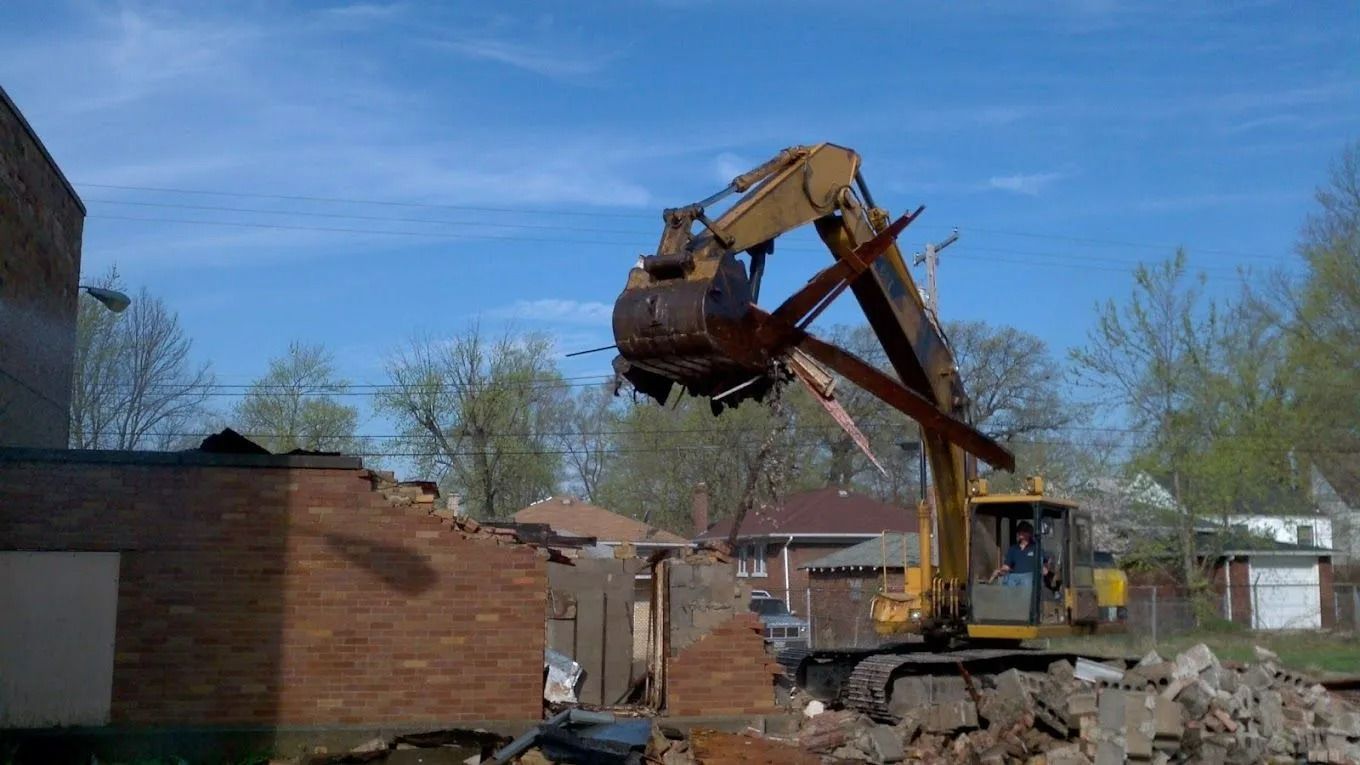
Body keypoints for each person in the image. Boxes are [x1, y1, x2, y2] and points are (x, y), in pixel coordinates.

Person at [992, 521, 1049, 587]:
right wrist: (1000, 571)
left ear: (1029, 533)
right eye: (1019, 530)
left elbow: (1044, 566)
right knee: (1006, 580)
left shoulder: (1036, 548)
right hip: (1015, 583)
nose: (1020, 532)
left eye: (1024, 530)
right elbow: (1006, 567)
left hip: (1030, 584)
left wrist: (1045, 569)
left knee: (1028, 580)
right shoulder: (1013, 549)